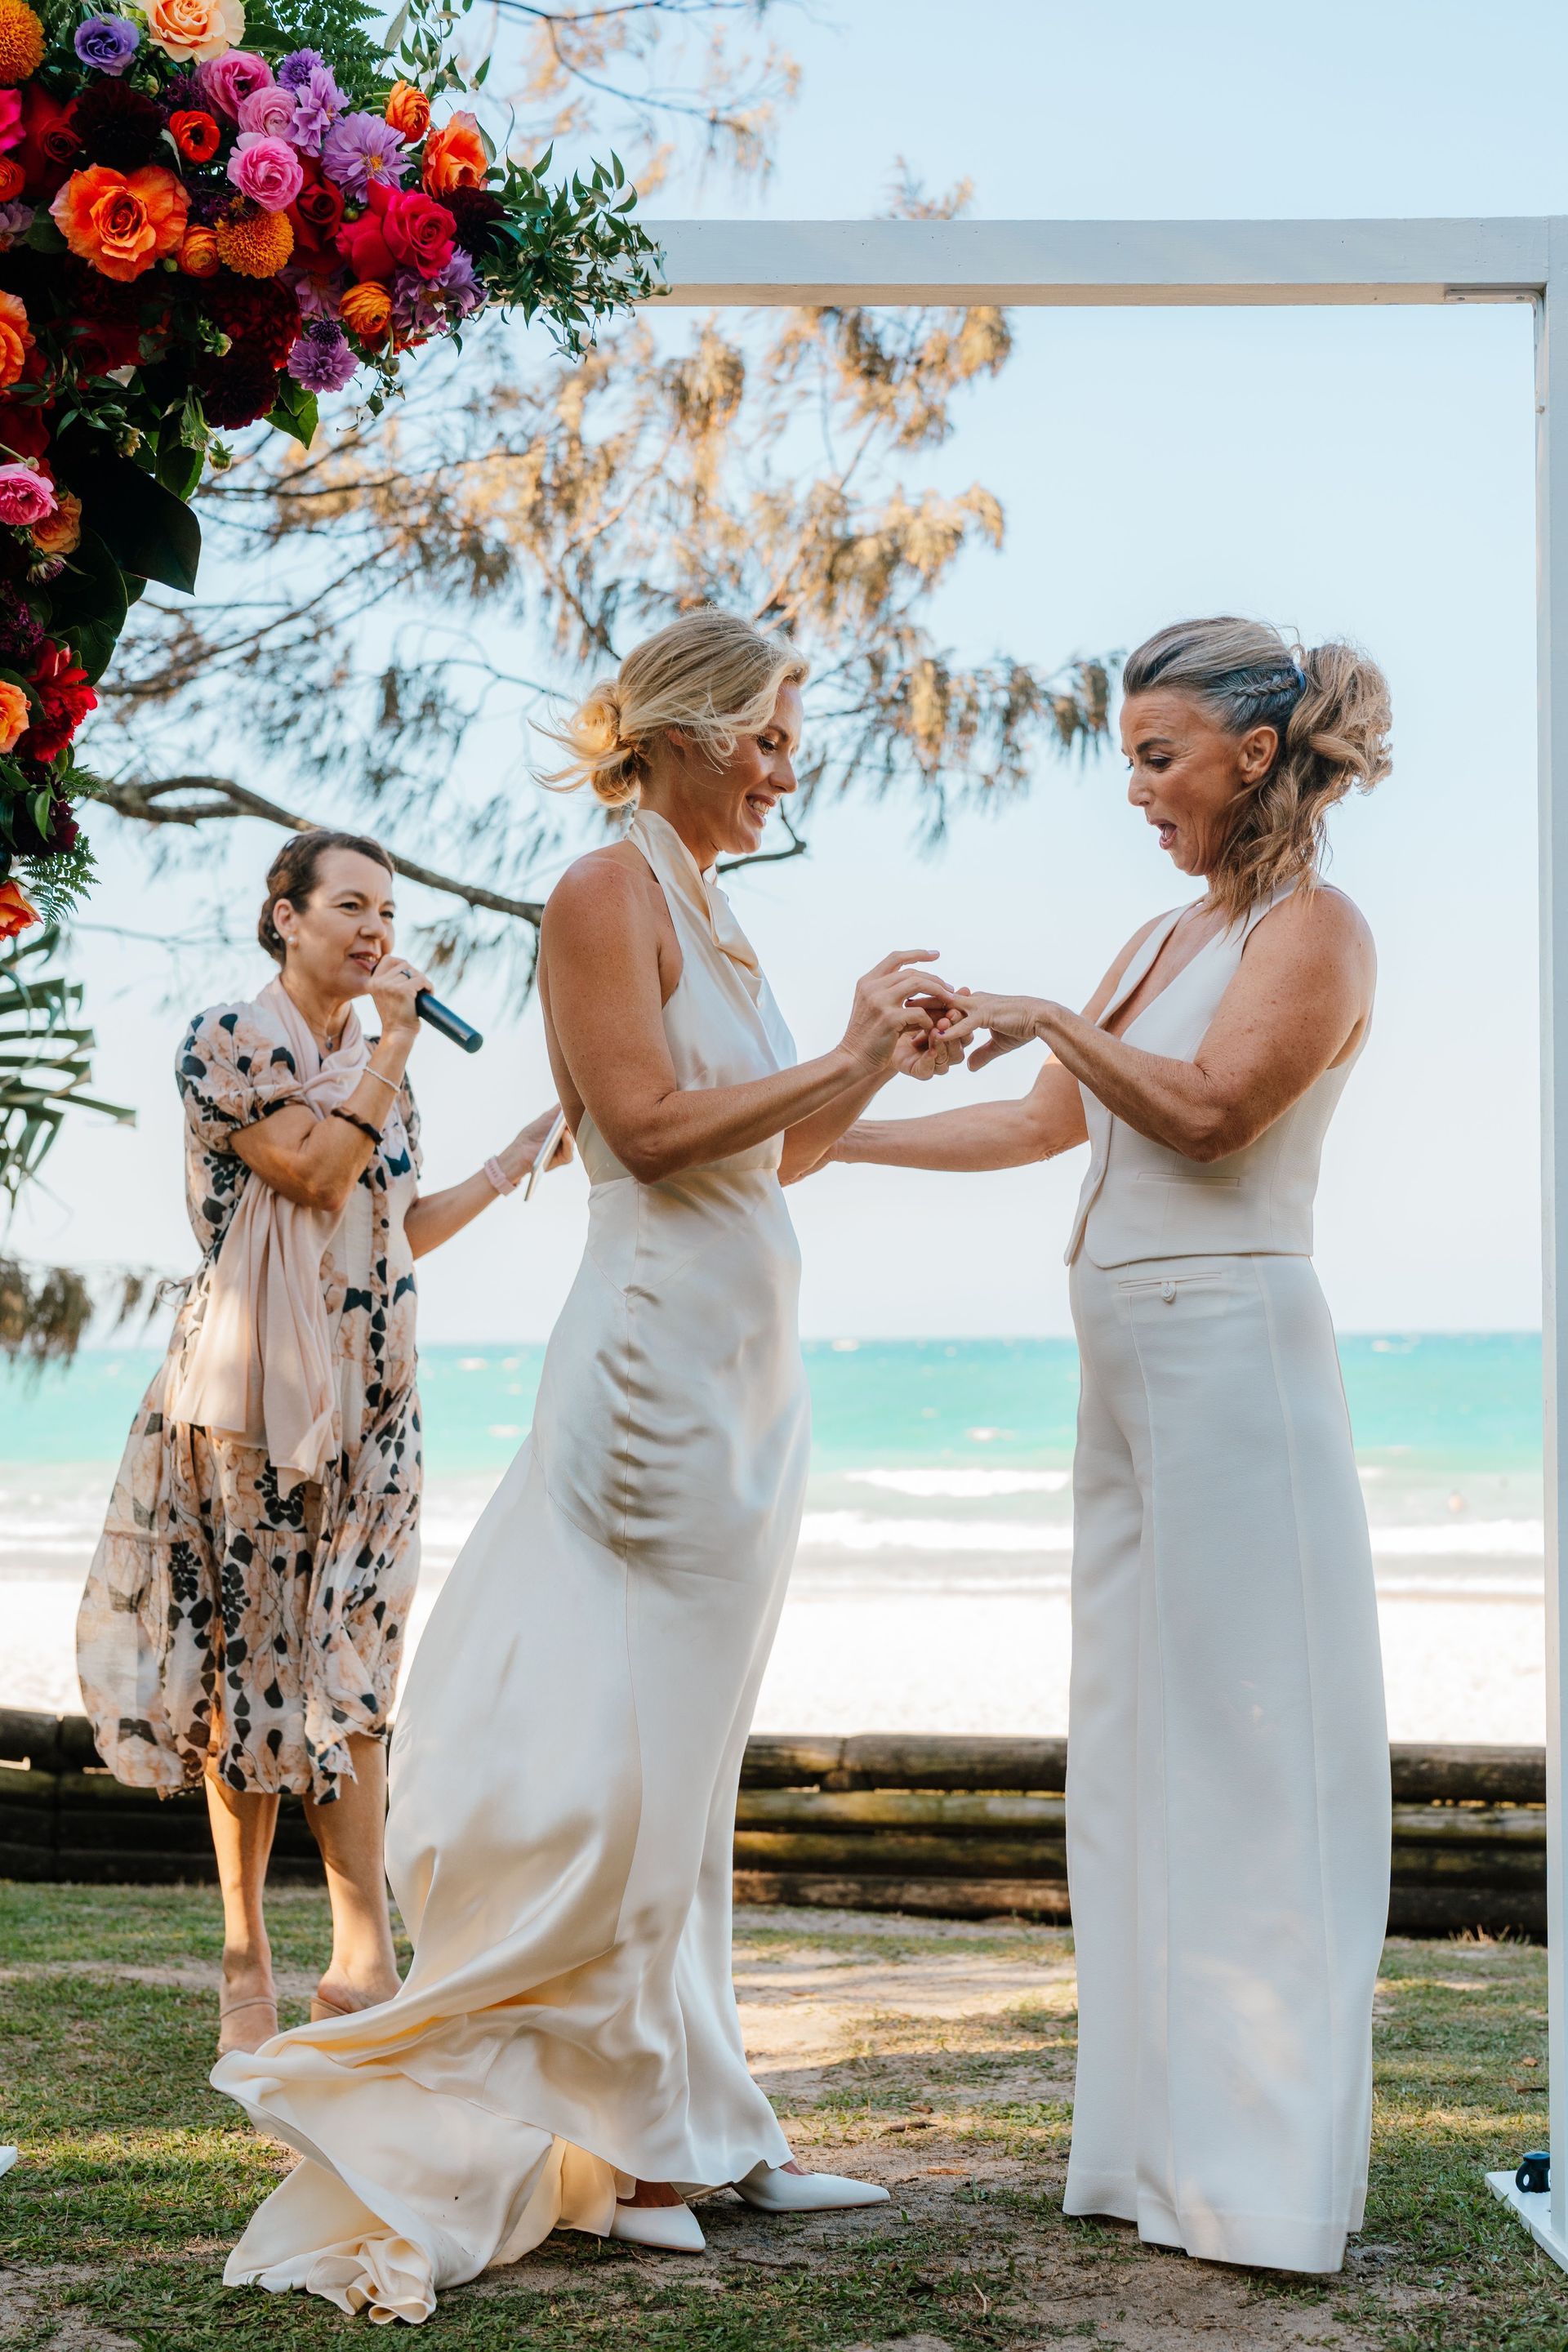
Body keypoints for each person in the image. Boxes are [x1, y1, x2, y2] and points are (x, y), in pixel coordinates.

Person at [212, 610, 961, 2321]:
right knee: (632, 1758)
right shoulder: (601, 889)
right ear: (688, 732)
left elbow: (778, 1151)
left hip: (743, 1356)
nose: (788, 767)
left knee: (692, 1769)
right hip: (650, 1361)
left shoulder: (717, 905)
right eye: (770, 733)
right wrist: (840, 1050)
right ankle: (617, 2143)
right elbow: (638, 1128)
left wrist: (871, 1057)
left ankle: (701, 2117)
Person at [826, 617, 1393, 2277]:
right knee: (1135, 1752)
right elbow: (1038, 1119)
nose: (1138, 792)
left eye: (1158, 758)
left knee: (1251, 1754)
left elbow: (1214, 1111)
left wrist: (1053, 1020)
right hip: (1128, 1383)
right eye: (1130, 760)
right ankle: (1158, 2155)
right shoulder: (1165, 931)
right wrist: (830, 1128)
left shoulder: (1318, 927)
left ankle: (1268, 2178)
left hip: (1235, 1368)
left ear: (1255, 753)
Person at [76, 829, 568, 2058]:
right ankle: (246, 1950)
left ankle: (360, 1960)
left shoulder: (375, 1060)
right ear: (283, 917)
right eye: (350, 906)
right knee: (254, 1672)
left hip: (375, 1409)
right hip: (254, 1405)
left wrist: (509, 1166)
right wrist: (398, 1045)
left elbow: (390, 1225)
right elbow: (309, 1174)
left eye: (388, 912)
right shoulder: (227, 1042)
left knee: (356, 1662)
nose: (377, 931)